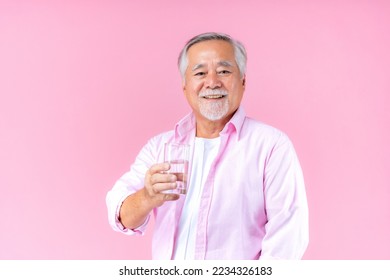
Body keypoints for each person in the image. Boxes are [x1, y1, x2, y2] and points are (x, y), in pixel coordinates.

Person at [106, 32, 309, 260]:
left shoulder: (271, 146)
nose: (212, 82)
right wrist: (147, 197)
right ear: (185, 86)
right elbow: (120, 213)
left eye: (224, 71)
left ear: (243, 81)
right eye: (200, 73)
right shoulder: (160, 147)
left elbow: (288, 237)